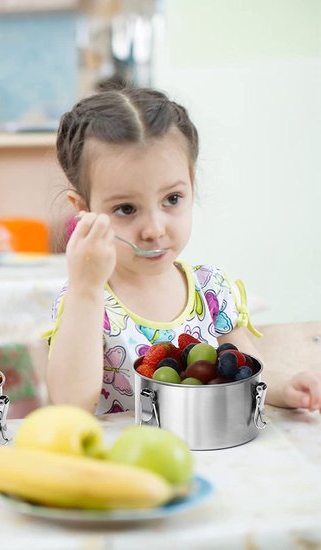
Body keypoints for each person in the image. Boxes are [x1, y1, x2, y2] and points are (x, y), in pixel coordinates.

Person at [46, 87, 321, 415]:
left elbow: (247, 372)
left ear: (192, 186)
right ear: (83, 210)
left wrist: (285, 387)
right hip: (125, 462)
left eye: (172, 199)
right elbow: (71, 405)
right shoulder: (85, 301)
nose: (154, 229)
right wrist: (85, 289)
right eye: (126, 208)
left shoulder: (210, 289)